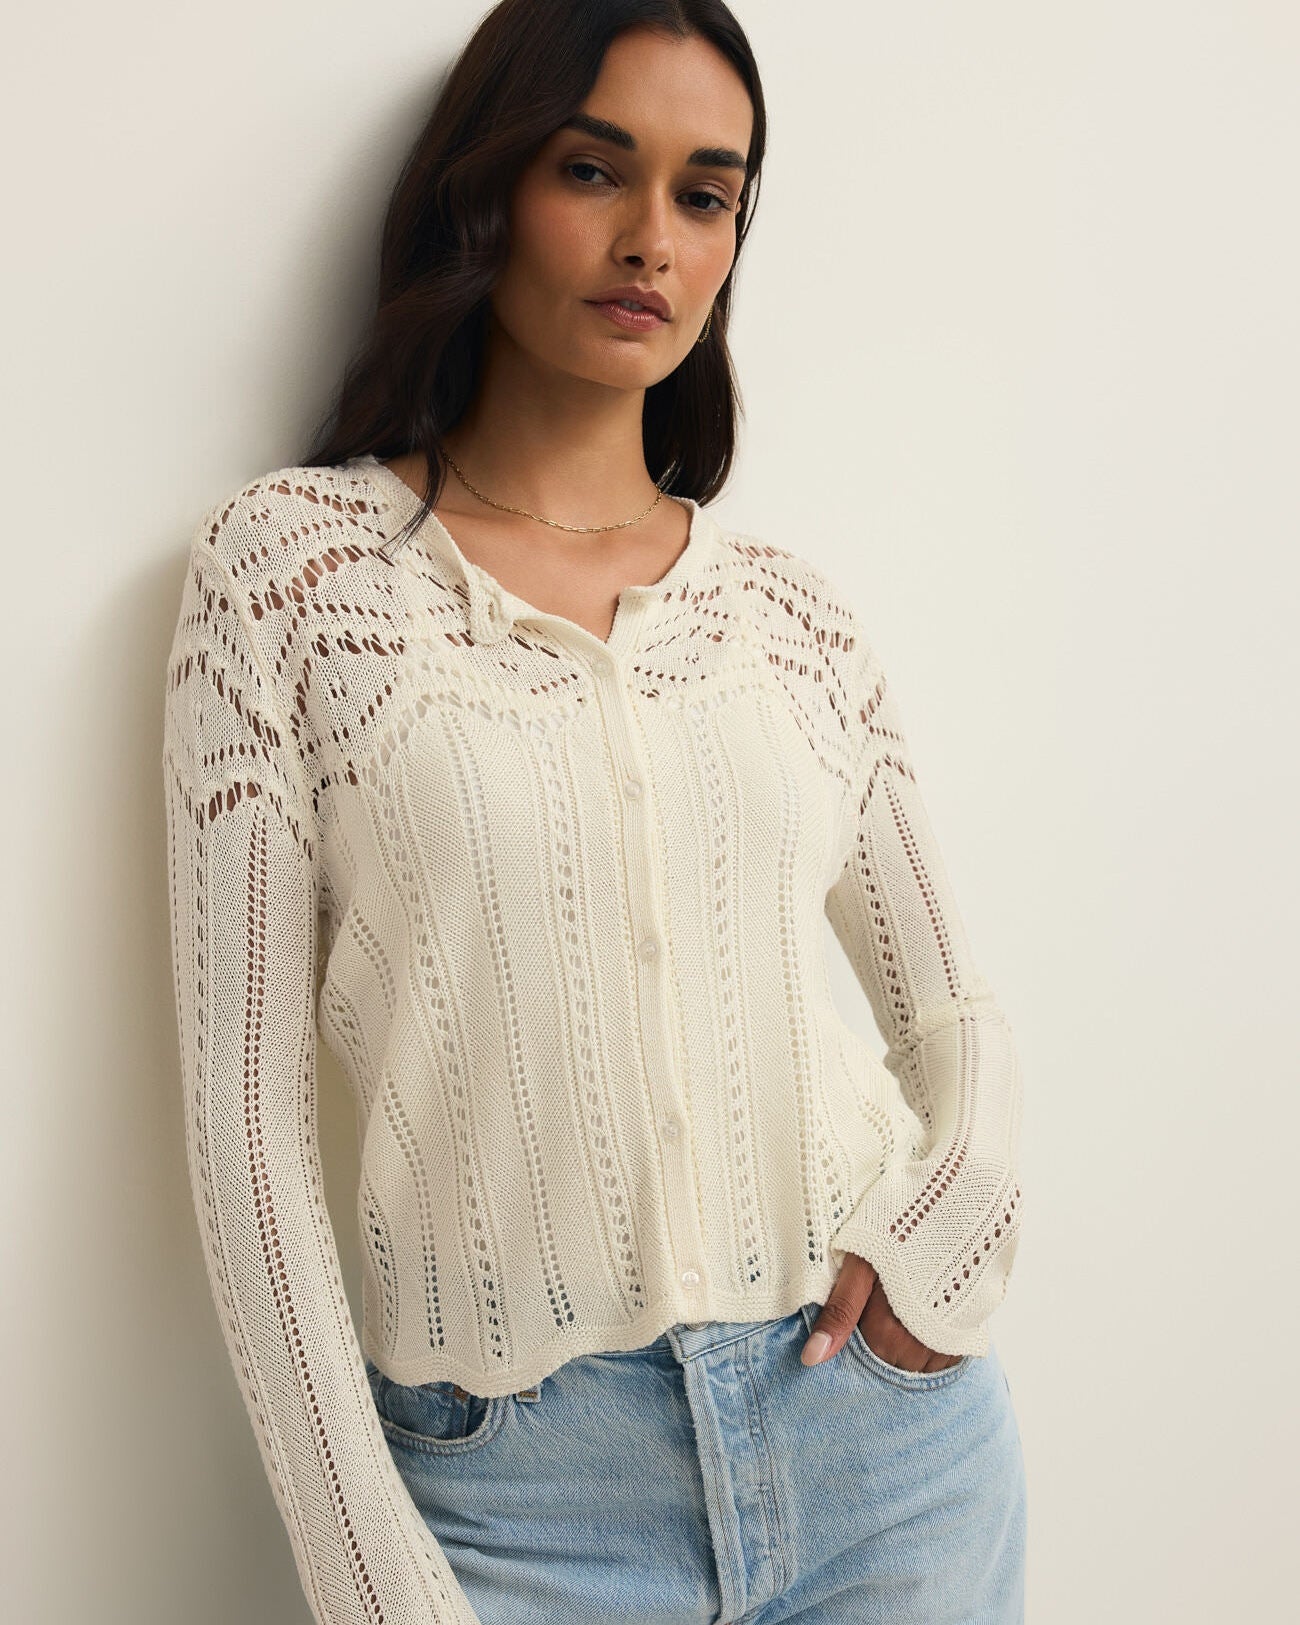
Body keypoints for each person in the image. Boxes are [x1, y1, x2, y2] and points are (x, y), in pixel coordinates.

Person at [161, 3, 1028, 1622]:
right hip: (516, 1501)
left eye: (708, 195)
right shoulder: (291, 577)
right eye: (592, 170)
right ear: (486, 192)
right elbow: (244, 1127)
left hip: (884, 1460)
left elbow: (954, 1013)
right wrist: (372, 1574)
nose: (651, 239)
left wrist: (944, 1228)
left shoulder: (794, 618)